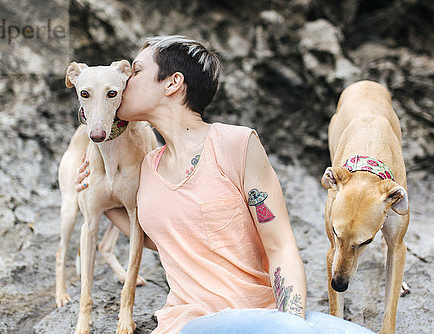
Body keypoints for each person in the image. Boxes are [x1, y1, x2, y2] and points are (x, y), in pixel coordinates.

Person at [74, 35, 373, 334]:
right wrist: (95, 190)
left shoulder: (237, 143)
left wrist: (290, 322)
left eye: (137, 72)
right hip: (193, 323)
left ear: (172, 83)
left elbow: (280, 245)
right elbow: (165, 241)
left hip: (266, 317)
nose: (125, 81)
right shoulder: (147, 167)